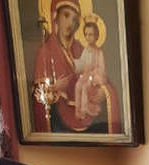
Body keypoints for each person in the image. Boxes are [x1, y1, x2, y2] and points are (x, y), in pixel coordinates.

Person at [32, 0, 120, 133]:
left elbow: (105, 80)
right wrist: (55, 88)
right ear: (55, 16)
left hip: (91, 119)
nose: (70, 23)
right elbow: (39, 97)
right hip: (59, 120)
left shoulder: (83, 49)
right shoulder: (45, 52)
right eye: (66, 15)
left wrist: (104, 92)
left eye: (74, 19)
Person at [74, 15, 107, 120]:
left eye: (91, 34)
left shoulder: (99, 52)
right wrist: (77, 63)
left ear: (96, 36)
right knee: (78, 85)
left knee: (85, 87)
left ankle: (84, 110)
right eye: (86, 34)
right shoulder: (86, 50)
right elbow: (82, 62)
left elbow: (101, 68)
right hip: (86, 74)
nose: (88, 37)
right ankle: (77, 110)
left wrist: (93, 73)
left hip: (95, 77)